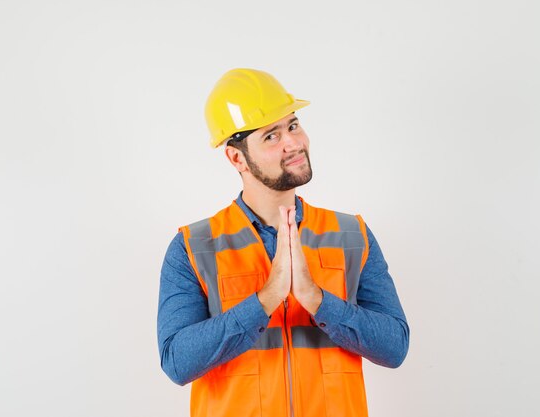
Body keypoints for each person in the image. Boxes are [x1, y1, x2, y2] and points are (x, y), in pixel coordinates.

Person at [157, 68, 409, 417]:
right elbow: (177, 362)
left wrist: (317, 300)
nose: (293, 143)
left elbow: (395, 347)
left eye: (292, 125)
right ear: (236, 157)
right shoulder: (193, 247)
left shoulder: (353, 235)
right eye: (271, 136)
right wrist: (266, 299)